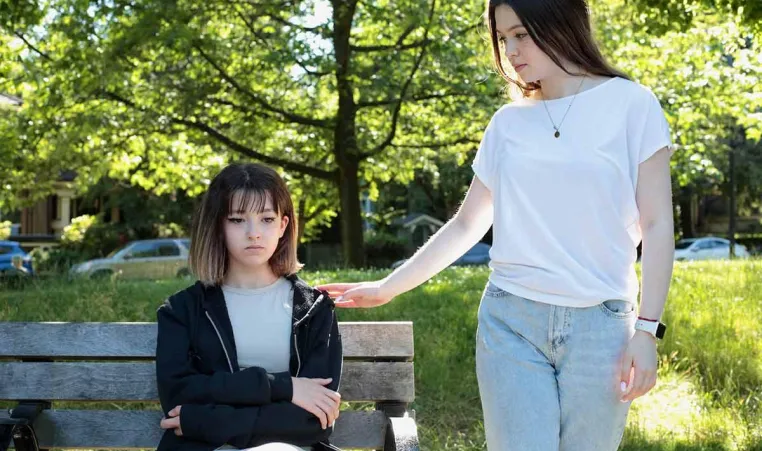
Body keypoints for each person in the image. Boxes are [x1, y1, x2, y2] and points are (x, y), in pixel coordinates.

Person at [319, 0, 675, 449]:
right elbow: (467, 224)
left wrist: (647, 331)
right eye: (503, 38)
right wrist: (390, 286)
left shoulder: (632, 104)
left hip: (602, 327)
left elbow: (659, 225)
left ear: (560, 21)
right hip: (512, 321)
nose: (510, 50)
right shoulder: (507, 125)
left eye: (521, 34)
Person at [156, 163, 343, 451]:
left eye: (267, 219)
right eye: (237, 219)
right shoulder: (182, 310)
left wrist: (203, 421)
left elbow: (313, 418)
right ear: (218, 225)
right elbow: (179, 395)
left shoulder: (314, 310)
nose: (254, 233)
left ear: (283, 225)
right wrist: (283, 387)